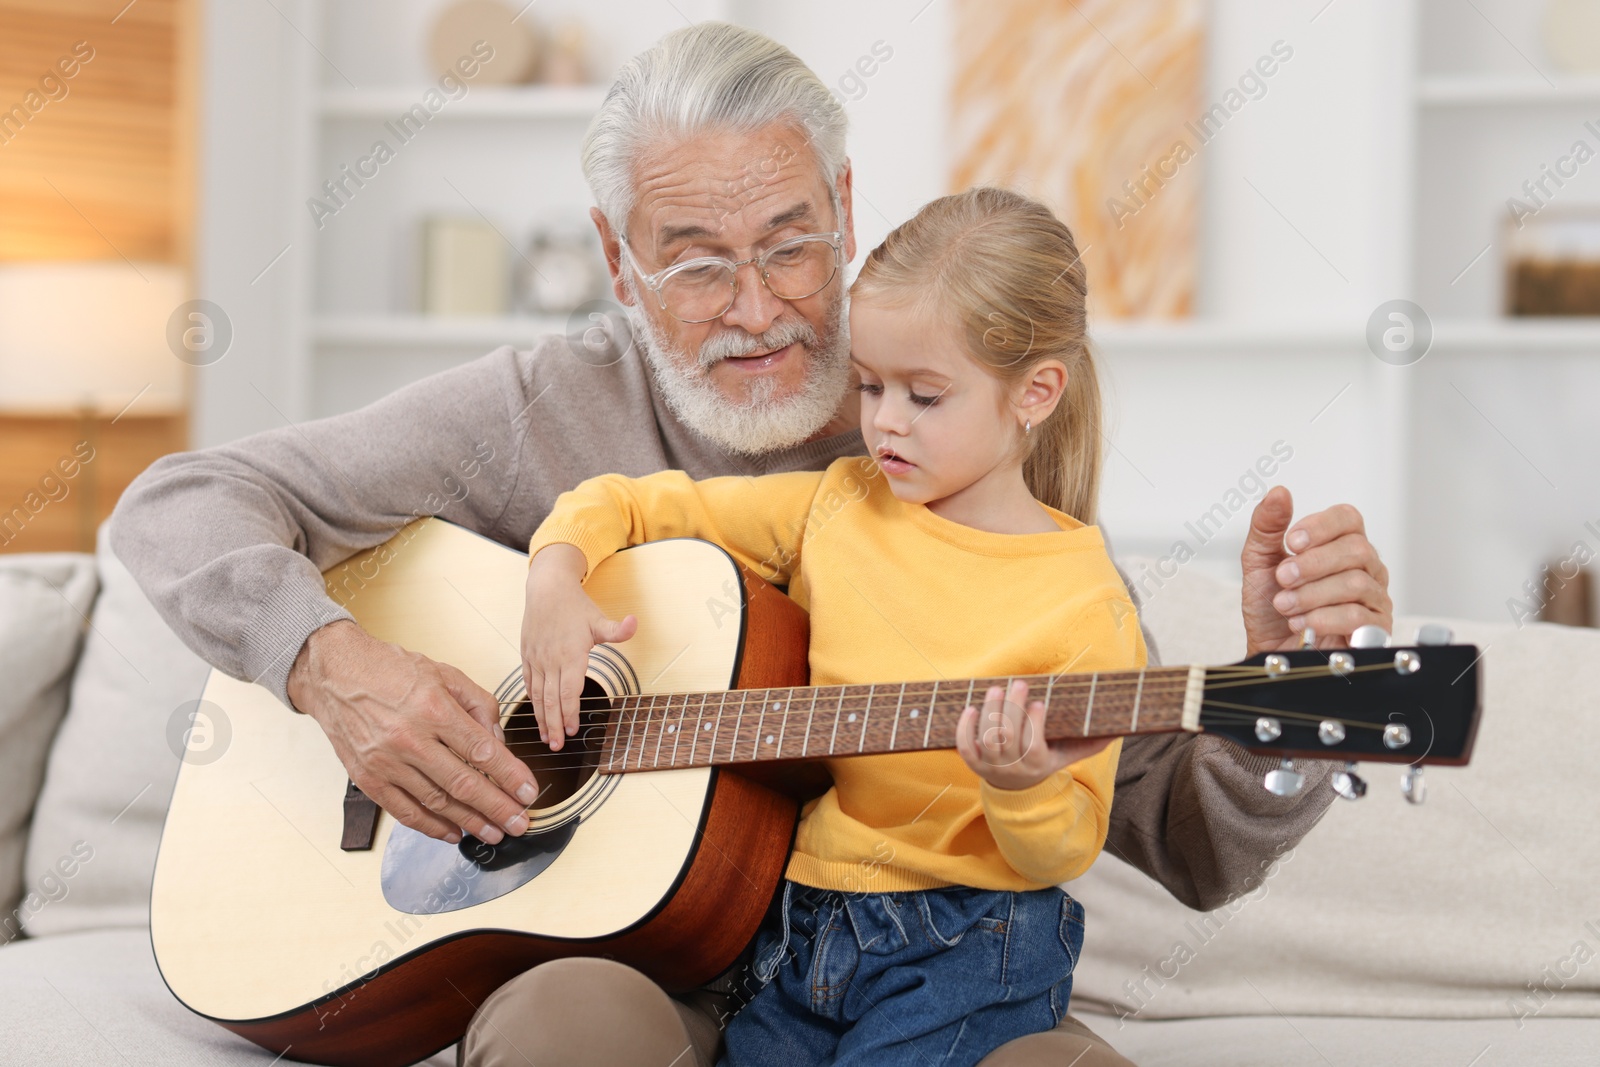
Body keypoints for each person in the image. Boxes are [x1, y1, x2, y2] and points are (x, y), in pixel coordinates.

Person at [108, 22, 1393, 1067]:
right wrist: (337, 669)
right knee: (564, 1032)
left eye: (790, 241)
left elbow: (1183, 833)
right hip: (643, 972)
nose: (761, 306)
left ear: (842, 204)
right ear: (616, 259)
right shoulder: (535, 411)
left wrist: (1278, 704)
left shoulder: (958, 425)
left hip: (929, 984)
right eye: (696, 262)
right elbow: (178, 500)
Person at [521, 184, 1143, 1066]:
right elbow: (631, 503)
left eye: (925, 395)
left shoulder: (1084, 602)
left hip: (970, 940)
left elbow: (1063, 846)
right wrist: (556, 571)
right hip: (802, 920)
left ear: (1036, 392)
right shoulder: (840, 503)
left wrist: (1022, 785)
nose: (884, 420)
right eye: (870, 385)